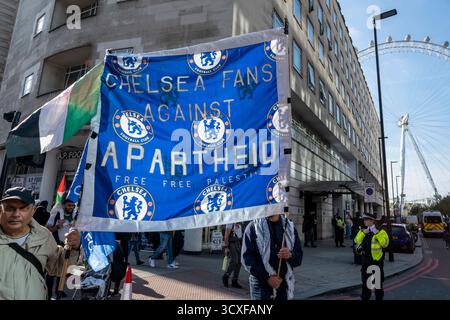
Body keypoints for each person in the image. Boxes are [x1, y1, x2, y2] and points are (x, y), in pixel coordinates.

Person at [0, 187, 80, 300]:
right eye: (10, 208)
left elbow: (60, 267)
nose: (16, 214)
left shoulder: (44, 236)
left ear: (33, 210)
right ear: (1, 209)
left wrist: (74, 248)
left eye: (23, 209)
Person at [241, 214, 303, 300]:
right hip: (260, 285)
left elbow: (299, 257)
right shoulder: (253, 227)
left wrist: (290, 255)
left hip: (283, 284)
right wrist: (267, 277)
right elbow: (247, 259)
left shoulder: (289, 227)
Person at [45, 197, 77, 299]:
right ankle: (48, 293)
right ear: (64, 205)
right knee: (51, 272)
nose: (71, 207)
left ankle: (59, 292)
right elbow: (47, 228)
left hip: (67, 247)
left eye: (73, 205)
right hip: (55, 246)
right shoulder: (57, 214)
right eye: (69, 205)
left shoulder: (75, 216)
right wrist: (58, 226)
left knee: (63, 271)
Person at [354, 212, 389, 301]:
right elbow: (356, 240)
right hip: (365, 261)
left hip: (376, 262)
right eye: (364, 219)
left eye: (366, 220)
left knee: (377, 286)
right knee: (365, 285)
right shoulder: (363, 230)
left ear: (372, 221)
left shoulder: (381, 232)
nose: (364, 221)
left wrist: (376, 233)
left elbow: (385, 244)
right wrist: (363, 233)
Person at [222, 222, 243, 289]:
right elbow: (226, 235)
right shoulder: (230, 222)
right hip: (232, 243)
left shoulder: (240, 222)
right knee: (234, 261)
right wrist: (226, 247)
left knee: (239, 262)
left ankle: (234, 281)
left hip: (239, 243)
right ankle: (226, 276)